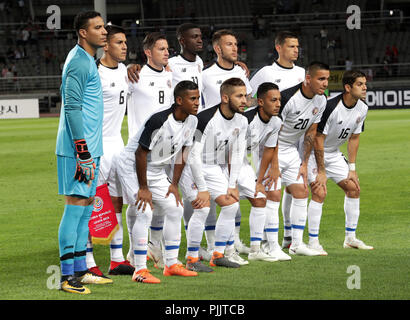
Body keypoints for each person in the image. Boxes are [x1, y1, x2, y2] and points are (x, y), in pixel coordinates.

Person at [112, 80, 201, 283]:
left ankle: (171, 264)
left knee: (175, 208)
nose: (197, 102)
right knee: (145, 211)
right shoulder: (159, 120)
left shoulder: (192, 121)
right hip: (131, 166)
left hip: (157, 169)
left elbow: (182, 155)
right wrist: (143, 188)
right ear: (179, 100)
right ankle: (140, 270)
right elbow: (140, 154)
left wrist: (174, 185)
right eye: (192, 98)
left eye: (198, 98)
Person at [56, 11, 110, 295]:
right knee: (75, 206)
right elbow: (72, 108)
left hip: (90, 147)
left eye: (104, 27)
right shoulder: (77, 62)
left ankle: (81, 270)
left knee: (87, 206)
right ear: (82, 33)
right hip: (78, 150)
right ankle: (66, 277)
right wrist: (82, 151)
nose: (104, 32)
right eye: (97, 28)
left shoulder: (88, 60)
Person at [180, 77, 248, 269]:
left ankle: (217, 255)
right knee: (202, 208)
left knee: (231, 206)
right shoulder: (205, 119)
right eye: (239, 96)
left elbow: (236, 153)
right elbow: (192, 157)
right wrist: (202, 189)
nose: (244, 100)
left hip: (213, 167)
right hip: (192, 167)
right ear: (225, 98)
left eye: (245, 95)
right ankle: (192, 259)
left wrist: (232, 184)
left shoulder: (242, 121)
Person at [84, 24, 134, 279]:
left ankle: (117, 259)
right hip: (96, 145)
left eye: (125, 42)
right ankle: (89, 262)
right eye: (119, 43)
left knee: (116, 202)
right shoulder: (94, 72)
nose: (124, 46)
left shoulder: (126, 70)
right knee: (91, 204)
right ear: (106, 46)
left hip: (118, 144)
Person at [305, 70, 373, 253]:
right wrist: (321, 170)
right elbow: (318, 139)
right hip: (313, 153)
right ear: (348, 87)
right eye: (360, 84)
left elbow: (354, 138)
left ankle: (350, 238)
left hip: (333, 153)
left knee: (353, 188)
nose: (365, 87)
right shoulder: (330, 107)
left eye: (365, 83)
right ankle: (313, 242)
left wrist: (352, 168)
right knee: (319, 192)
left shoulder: (363, 108)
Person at [249, 30, 305, 250]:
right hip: (268, 141)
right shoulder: (265, 73)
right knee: (269, 187)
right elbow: (251, 99)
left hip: (294, 140)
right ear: (278, 48)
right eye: (291, 46)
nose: (296, 50)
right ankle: (263, 239)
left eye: (297, 46)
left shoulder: (302, 73)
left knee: (295, 188)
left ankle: (289, 237)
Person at [200, 29, 253, 259]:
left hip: (232, 138)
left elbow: (246, 102)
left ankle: (230, 244)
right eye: (229, 44)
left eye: (236, 44)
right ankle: (212, 248)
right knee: (206, 204)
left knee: (235, 194)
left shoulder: (242, 72)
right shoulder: (204, 75)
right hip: (206, 144)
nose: (235, 48)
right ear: (217, 49)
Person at [270, 61, 329, 256]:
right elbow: (272, 131)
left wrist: (304, 163)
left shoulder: (321, 100)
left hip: (290, 151)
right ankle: (267, 245)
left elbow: (311, 134)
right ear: (308, 79)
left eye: (327, 79)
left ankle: (296, 244)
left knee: (302, 192)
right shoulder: (286, 98)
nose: (325, 83)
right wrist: (274, 163)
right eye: (321, 79)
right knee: (272, 196)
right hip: (270, 148)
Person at [247, 82, 292, 261]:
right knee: (230, 202)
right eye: (273, 100)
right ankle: (227, 245)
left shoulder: (276, 121)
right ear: (260, 102)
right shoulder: (246, 120)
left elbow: (269, 148)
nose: (278, 104)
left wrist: (271, 169)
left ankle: (271, 246)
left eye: (279, 100)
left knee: (273, 193)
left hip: (255, 157)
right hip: (233, 160)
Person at [127, 32, 173, 140]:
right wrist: (127, 68)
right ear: (148, 52)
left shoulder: (171, 75)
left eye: (167, 49)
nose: (166, 53)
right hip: (140, 143)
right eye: (162, 49)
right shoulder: (135, 75)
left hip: (164, 142)